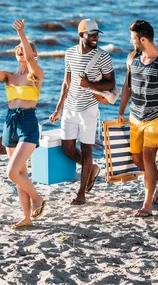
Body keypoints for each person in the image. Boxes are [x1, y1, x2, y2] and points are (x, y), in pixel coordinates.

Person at [0, 19, 46, 229]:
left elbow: (29, 57)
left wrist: (22, 35)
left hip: (27, 122)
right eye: (18, 49)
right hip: (10, 122)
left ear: (32, 54)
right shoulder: (9, 76)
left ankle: (38, 198)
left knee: (11, 171)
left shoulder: (36, 75)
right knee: (20, 174)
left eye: (24, 49)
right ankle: (26, 217)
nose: (21, 51)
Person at [117, 20, 158, 218]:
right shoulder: (132, 58)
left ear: (142, 39)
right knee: (137, 158)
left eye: (133, 38)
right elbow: (127, 87)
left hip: (155, 118)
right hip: (135, 116)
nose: (131, 41)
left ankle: (147, 205)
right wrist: (121, 111)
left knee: (147, 157)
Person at [49, 19, 115, 205]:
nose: (95, 37)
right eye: (91, 34)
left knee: (87, 149)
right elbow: (66, 82)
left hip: (89, 108)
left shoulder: (103, 57)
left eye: (97, 34)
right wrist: (58, 108)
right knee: (67, 148)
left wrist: (90, 84)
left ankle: (81, 194)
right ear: (81, 35)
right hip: (70, 108)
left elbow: (111, 84)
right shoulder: (69, 53)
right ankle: (92, 169)